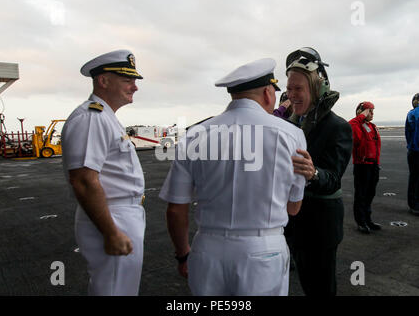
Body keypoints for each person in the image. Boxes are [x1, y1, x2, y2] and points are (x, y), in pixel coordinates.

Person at [159, 58, 307, 296]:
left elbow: (176, 209)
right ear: (268, 93)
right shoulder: (292, 135)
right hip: (264, 251)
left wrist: (182, 254)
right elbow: (293, 208)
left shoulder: (195, 135)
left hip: (208, 249)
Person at [61, 49, 146, 296]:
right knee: (114, 289)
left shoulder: (106, 117)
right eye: (127, 80)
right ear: (104, 80)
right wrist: (111, 232)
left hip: (119, 214)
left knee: (121, 287)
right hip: (111, 217)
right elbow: (84, 180)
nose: (134, 87)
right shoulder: (92, 118)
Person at [286, 47, 352, 296]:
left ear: (315, 89)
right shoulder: (290, 125)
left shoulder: (338, 127)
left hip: (320, 224)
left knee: (321, 288)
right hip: (293, 221)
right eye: (289, 89)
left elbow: (333, 179)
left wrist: (314, 173)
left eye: (298, 89)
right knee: (304, 281)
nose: (291, 95)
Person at [349, 102, 382, 233]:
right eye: (369, 111)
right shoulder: (356, 125)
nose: (372, 114)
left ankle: (368, 219)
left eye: (373, 111)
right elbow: (351, 126)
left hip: (373, 165)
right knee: (361, 195)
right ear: (361, 112)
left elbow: (376, 148)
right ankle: (361, 222)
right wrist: (361, 116)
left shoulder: (372, 126)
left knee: (370, 194)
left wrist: (377, 164)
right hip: (362, 166)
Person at [405, 93, 419, 216]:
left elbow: (408, 133)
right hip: (415, 150)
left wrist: (411, 145)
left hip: (414, 150)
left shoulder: (411, 114)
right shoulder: (414, 114)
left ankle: (413, 204)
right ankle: (415, 204)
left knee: (414, 178)